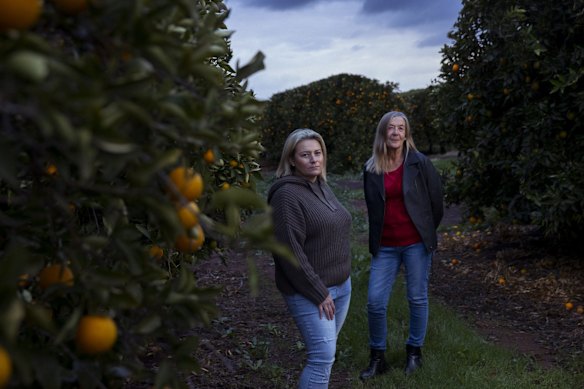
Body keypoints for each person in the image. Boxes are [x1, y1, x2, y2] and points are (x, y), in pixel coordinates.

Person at [359, 111, 443, 380]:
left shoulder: (420, 163)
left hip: (415, 244)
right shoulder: (371, 168)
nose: (396, 133)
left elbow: (436, 205)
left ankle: (414, 352)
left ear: (406, 134)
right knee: (374, 302)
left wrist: (423, 231)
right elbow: (373, 209)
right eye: (391, 128)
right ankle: (377, 357)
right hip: (385, 246)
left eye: (401, 128)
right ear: (383, 133)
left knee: (417, 298)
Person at [267, 128, 352, 388]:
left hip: (341, 287)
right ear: (292, 159)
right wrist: (319, 292)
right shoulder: (286, 195)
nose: (314, 159)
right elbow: (290, 253)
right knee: (322, 358)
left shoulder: (319, 186)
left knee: (326, 357)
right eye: (306, 155)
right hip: (313, 293)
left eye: (318, 153)